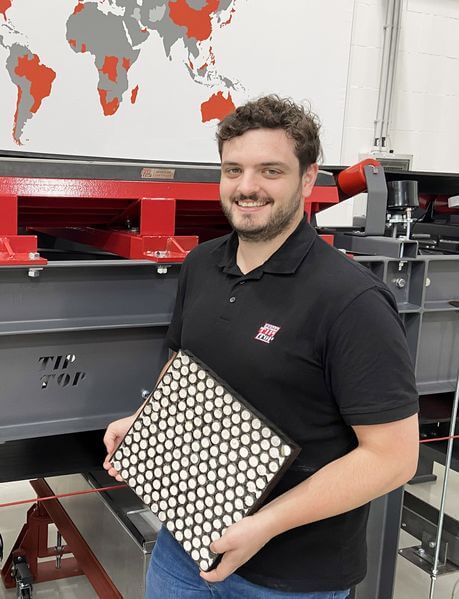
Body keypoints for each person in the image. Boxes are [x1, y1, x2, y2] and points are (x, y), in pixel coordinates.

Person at [104, 95, 419, 599]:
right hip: (184, 549)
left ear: (307, 178)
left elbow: (393, 458)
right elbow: (180, 365)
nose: (247, 188)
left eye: (269, 170)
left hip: (292, 579)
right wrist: (146, 423)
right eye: (233, 170)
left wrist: (265, 524)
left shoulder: (351, 299)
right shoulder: (202, 264)